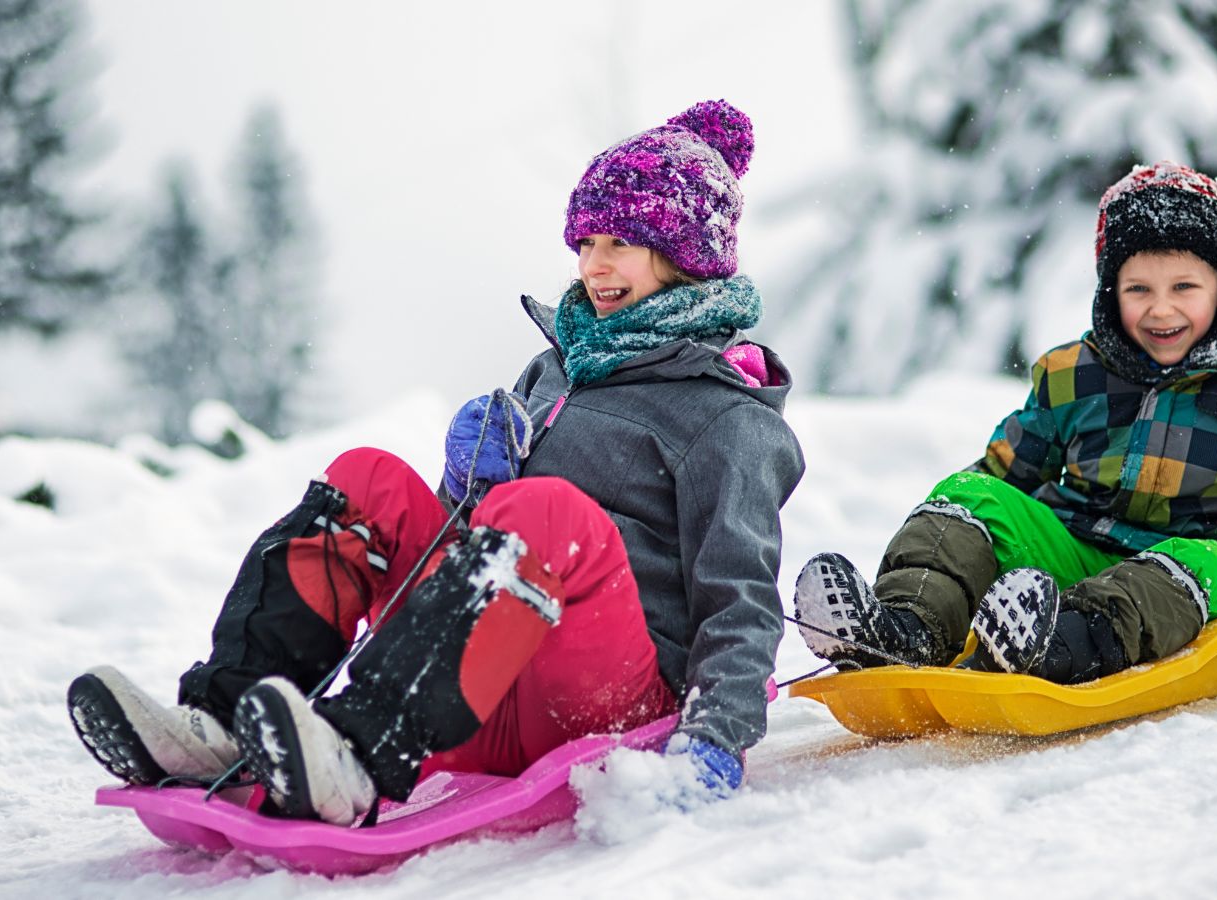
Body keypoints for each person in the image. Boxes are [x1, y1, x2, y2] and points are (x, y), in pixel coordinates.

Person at [68, 99, 805, 825]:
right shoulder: (555, 369)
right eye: (584, 244)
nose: (593, 266)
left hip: (606, 699)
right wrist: (468, 483)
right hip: (480, 688)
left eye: (619, 243)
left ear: (683, 256)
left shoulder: (726, 417)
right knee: (367, 479)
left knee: (548, 509)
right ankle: (222, 722)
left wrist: (716, 739)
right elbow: (483, 530)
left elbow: (738, 600)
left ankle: (363, 752)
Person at [793, 162, 1217, 684]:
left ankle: (1052, 646)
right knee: (969, 495)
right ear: (1110, 293)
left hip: (1205, 579)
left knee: (1196, 562)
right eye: (1138, 289)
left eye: (1185, 286)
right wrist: (965, 535)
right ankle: (903, 629)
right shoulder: (1073, 374)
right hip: (1081, 550)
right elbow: (1005, 476)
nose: (1161, 308)